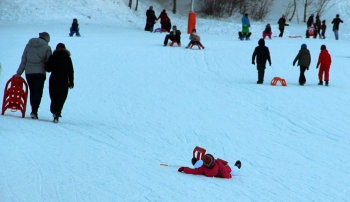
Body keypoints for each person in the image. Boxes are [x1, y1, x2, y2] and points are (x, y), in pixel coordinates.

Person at [15, 32, 52, 119]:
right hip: (40, 73)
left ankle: (33, 110)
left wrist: (19, 73)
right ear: (47, 39)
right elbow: (49, 62)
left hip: (29, 72)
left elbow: (24, 60)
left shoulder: (28, 45)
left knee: (33, 91)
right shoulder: (47, 47)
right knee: (38, 92)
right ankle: (34, 111)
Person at [45, 43, 74, 123]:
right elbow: (70, 71)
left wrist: (46, 62)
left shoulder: (53, 57)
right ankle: (58, 111)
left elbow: (48, 69)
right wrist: (71, 82)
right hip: (63, 80)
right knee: (62, 97)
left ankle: (54, 111)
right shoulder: (67, 58)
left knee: (53, 96)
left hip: (54, 79)